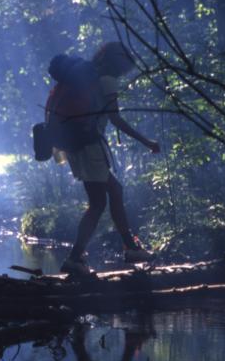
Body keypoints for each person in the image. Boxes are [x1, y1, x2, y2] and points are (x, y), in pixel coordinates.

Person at [59, 42, 160, 276]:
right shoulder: (107, 81)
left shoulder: (91, 78)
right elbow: (115, 119)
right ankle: (76, 258)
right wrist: (147, 142)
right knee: (99, 203)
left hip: (78, 145)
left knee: (113, 193)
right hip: (91, 145)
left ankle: (129, 247)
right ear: (120, 63)